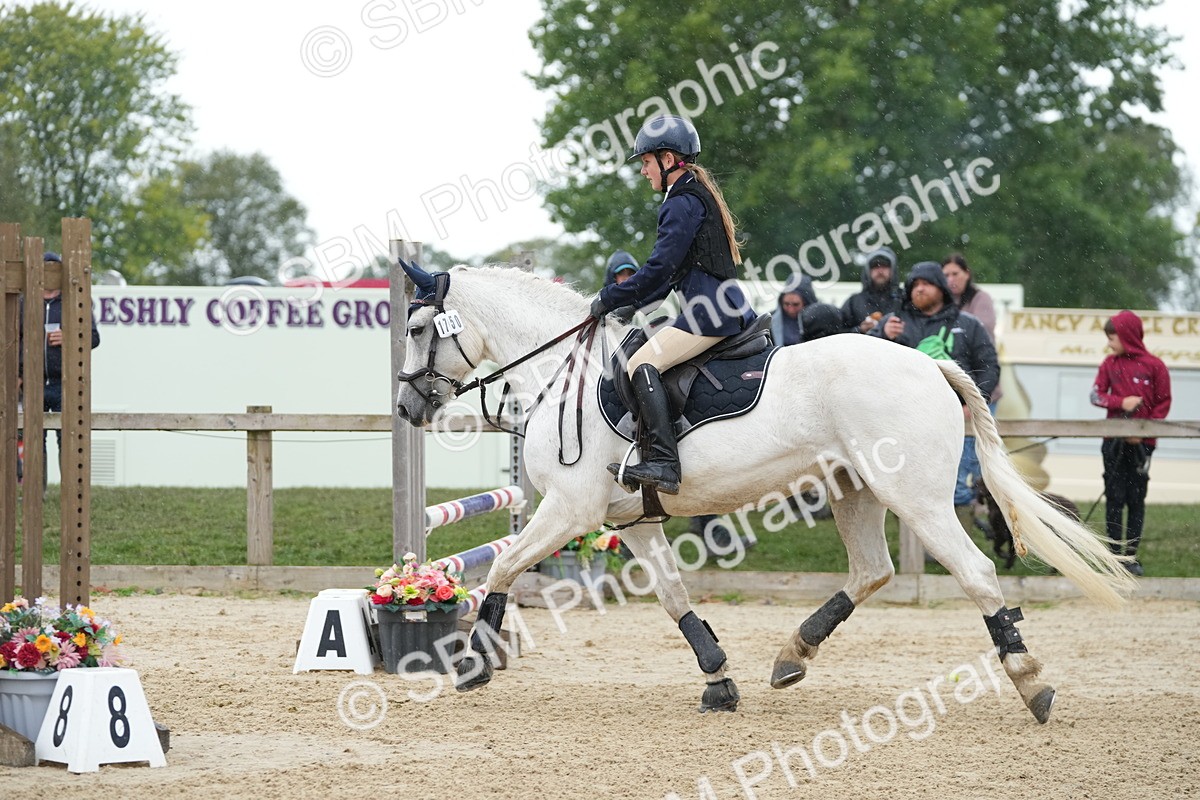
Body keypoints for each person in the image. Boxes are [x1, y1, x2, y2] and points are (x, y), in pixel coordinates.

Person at [589, 114, 756, 495]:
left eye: (646, 162)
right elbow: (666, 278)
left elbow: (659, 267)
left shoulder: (681, 203)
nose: (643, 171)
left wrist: (607, 297)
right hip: (719, 307)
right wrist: (628, 307)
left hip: (709, 314)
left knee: (640, 363)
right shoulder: (693, 193)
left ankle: (663, 463)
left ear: (668, 160)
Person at [871, 262, 998, 516]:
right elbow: (865, 362)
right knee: (906, 487)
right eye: (915, 285)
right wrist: (882, 334)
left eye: (926, 284)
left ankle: (958, 549)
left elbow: (989, 367)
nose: (919, 289)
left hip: (958, 420)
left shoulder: (968, 324)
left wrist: (974, 404)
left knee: (957, 485)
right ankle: (918, 553)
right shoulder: (894, 322)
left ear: (940, 287)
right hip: (903, 421)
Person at [1089, 310, 1172, 576]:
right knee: (1114, 497)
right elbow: (1096, 395)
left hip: (1141, 446)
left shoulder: (1155, 366)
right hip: (1113, 441)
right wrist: (1119, 403)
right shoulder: (1109, 364)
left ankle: (1131, 556)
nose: (1109, 343)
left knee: (1136, 499)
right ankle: (1114, 558)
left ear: (1127, 335)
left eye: (1112, 337)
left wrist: (1145, 432)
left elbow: (1163, 402)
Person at [19, 252, 102, 490]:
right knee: (34, 439)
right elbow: (14, 340)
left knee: (68, 438)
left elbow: (94, 339)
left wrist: (70, 337)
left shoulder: (75, 302)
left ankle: (71, 491)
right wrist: (18, 374)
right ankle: (36, 491)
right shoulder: (26, 302)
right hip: (33, 382)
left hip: (65, 383)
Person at [841, 246, 902, 334]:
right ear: (867, 271)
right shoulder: (854, 302)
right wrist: (860, 330)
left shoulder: (904, 299)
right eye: (875, 266)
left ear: (893, 270)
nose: (880, 270)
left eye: (885, 266)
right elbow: (840, 335)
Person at [941, 252, 997, 341]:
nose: (950, 279)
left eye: (955, 274)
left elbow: (983, 329)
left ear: (967, 274)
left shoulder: (980, 298)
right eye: (946, 275)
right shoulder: (940, 301)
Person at [770, 274, 817, 347]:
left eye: (796, 304)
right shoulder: (770, 321)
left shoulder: (817, 322)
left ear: (806, 303)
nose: (791, 310)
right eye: (786, 304)